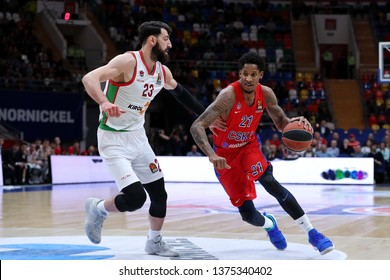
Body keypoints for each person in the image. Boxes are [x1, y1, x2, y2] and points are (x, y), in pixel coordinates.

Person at [81, 21, 212, 257]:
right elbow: (89, 78)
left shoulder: (162, 72)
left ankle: (154, 242)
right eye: (166, 39)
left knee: (160, 194)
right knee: (135, 198)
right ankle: (98, 208)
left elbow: (181, 94)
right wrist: (104, 102)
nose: (170, 44)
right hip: (113, 140)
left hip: (139, 139)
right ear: (152, 40)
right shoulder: (128, 62)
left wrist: (207, 117)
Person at [190, 52, 334, 255]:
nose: (248, 78)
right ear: (240, 74)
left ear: (261, 75)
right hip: (225, 156)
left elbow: (282, 123)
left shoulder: (266, 94)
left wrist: (297, 123)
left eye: (253, 74)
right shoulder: (228, 96)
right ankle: (269, 224)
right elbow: (197, 125)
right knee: (248, 215)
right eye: (245, 74)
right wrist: (211, 155)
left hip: (249, 147)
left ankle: (312, 233)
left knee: (269, 182)